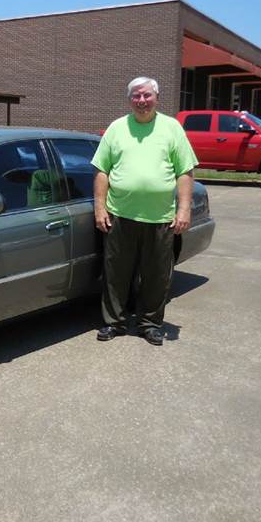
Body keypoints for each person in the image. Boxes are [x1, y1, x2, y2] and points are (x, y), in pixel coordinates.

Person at [91, 77, 198, 346]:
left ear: (157, 97)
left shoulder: (171, 128)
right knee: (116, 273)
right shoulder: (117, 128)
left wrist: (184, 209)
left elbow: (185, 171)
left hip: (160, 218)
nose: (142, 101)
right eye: (136, 96)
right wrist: (99, 207)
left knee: (156, 275)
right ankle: (113, 322)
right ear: (129, 99)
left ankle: (150, 324)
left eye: (147, 95)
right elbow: (102, 170)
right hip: (120, 215)